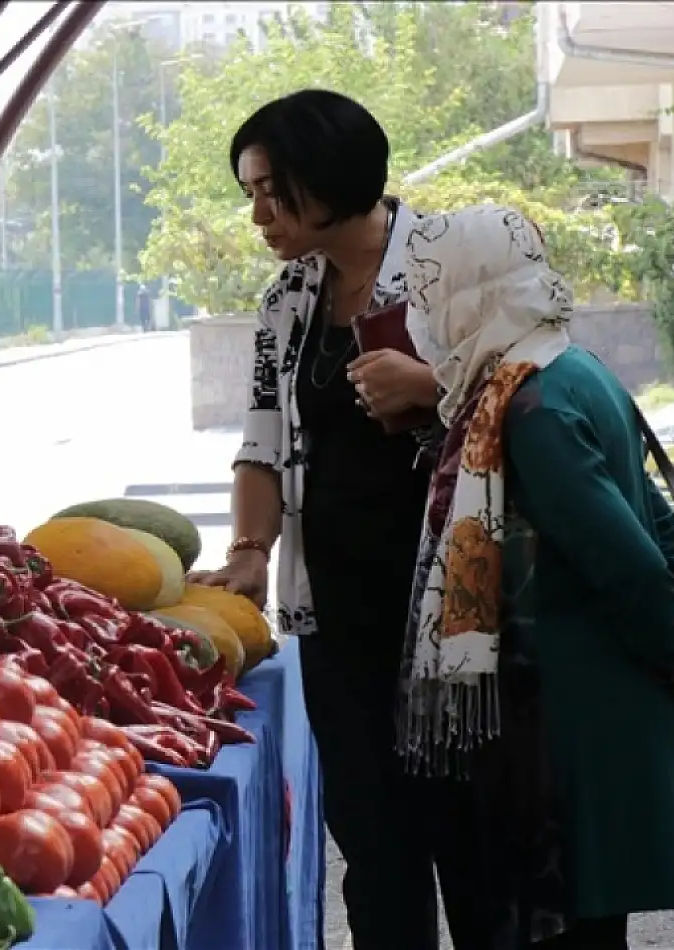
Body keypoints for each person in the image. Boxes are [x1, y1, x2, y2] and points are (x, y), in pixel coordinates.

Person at [188, 89, 507, 949]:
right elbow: (262, 442)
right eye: (248, 191)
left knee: (478, 847)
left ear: (326, 177)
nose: (255, 212)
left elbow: (546, 402)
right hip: (336, 617)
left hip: (460, 617)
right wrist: (250, 552)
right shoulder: (286, 300)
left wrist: (432, 387)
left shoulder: (459, 262)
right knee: (375, 851)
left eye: (268, 189)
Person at [396, 204, 674, 950]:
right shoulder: (562, 364)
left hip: (583, 719)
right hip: (586, 705)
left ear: (472, 292)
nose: (419, 314)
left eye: (427, 290)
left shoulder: (529, 405)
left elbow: (627, 557)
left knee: (573, 931)